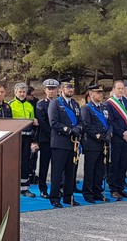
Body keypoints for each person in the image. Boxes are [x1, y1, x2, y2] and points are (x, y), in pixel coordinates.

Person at [48, 79, 83, 208]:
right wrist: (69, 130)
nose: (71, 90)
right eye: (68, 88)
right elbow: (54, 122)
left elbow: (80, 120)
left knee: (71, 171)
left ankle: (68, 197)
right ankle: (55, 197)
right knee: (57, 172)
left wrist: (78, 128)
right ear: (62, 89)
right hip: (60, 142)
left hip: (73, 143)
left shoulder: (75, 104)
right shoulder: (55, 103)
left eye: (72, 88)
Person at [81, 84, 112, 203]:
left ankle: (97, 191)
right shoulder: (86, 109)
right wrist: (100, 137)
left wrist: (109, 134)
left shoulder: (104, 108)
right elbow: (87, 126)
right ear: (91, 94)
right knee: (90, 169)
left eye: (101, 93)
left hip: (103, 144)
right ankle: (88, 193)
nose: (101, 95)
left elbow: (110, 123)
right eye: (98, 93)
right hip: (92, 143)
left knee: (100, 169)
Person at [106, 80, 127, 200]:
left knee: (124, 164)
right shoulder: (109, 103)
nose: (121, 91)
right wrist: (122, 132)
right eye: (118, 89)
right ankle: (113, 188)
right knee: (115, 163)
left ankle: (121, 187)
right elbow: (110, 121)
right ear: (113, 89)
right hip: (117, 138)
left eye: (122, 89)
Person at [9, 83, 38, 198]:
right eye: (20, 92)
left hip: (27, 137)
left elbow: (33, 122)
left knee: (26, 162)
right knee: (14, 162)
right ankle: (12, 186)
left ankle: (25, 188)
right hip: (15, 137)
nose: (22, 94)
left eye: (24, 92)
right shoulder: (10, 105)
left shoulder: (29, 105)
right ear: (15, 92)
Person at [36, 79, 59, 198]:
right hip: (46, 139)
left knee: (57, 166)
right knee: (44, 166)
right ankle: (43, 189)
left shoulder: (60, 103)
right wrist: (55, 133)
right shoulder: (41, 104)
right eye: (49, 89)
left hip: (59, 140)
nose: (51, 91)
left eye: (53, 88)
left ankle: (56, 188)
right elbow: (43, 123)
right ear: (45, 90)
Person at [26, 85, 40, 185]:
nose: (34, 97)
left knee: (34, 154)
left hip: (34, 131)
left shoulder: (36, 102)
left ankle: (32, 173)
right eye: (32, 95)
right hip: (25, 133)